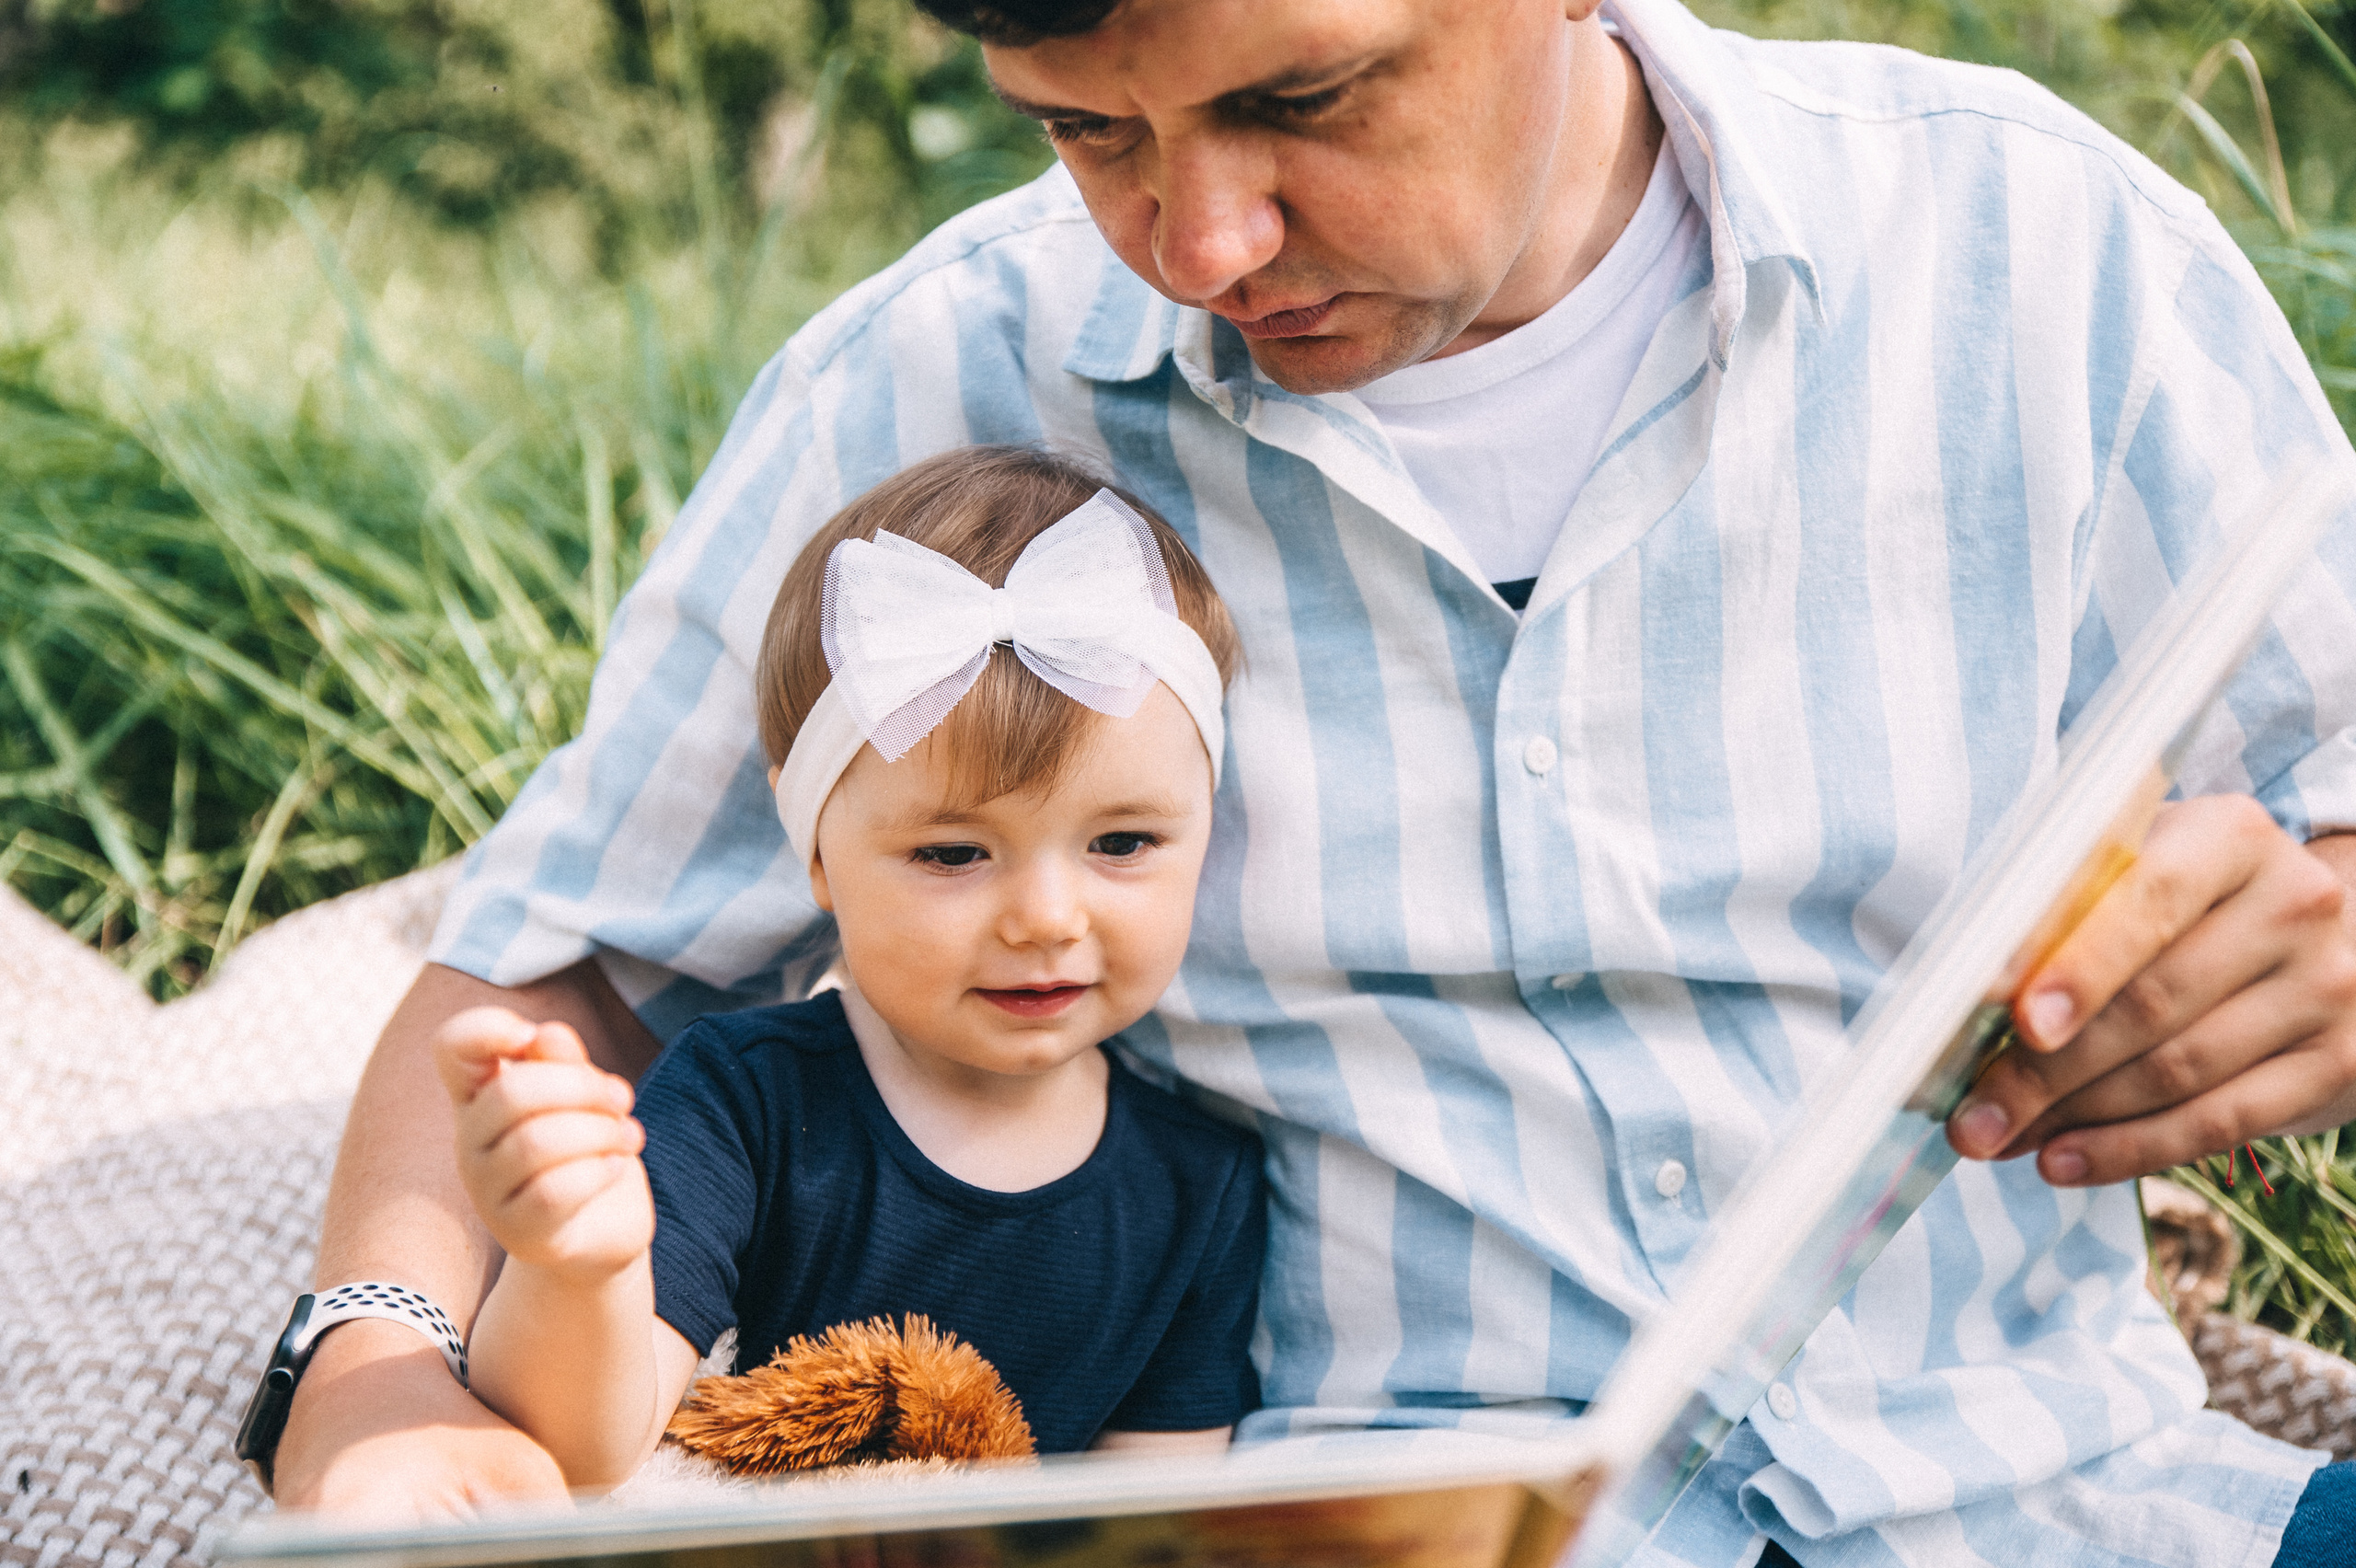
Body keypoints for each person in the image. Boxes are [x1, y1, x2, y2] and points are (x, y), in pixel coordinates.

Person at [274, 0, 2356, 1560]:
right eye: (1089, 131)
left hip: (2078, 1498)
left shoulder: (2037, 252)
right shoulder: (929, 381)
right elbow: (557, 974)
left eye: (1299, 100)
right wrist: (369, 1367)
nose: (1198, 237)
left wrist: (2326, 933)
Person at [429, 448, 1263, 1485]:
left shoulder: (1200, 1186)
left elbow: (1163, 1519)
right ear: (818, 853)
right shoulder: (744, 1101)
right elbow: (583, 1451)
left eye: (1124, 843)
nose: (1047, 918)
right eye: (954, 853)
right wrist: (573, 1267)